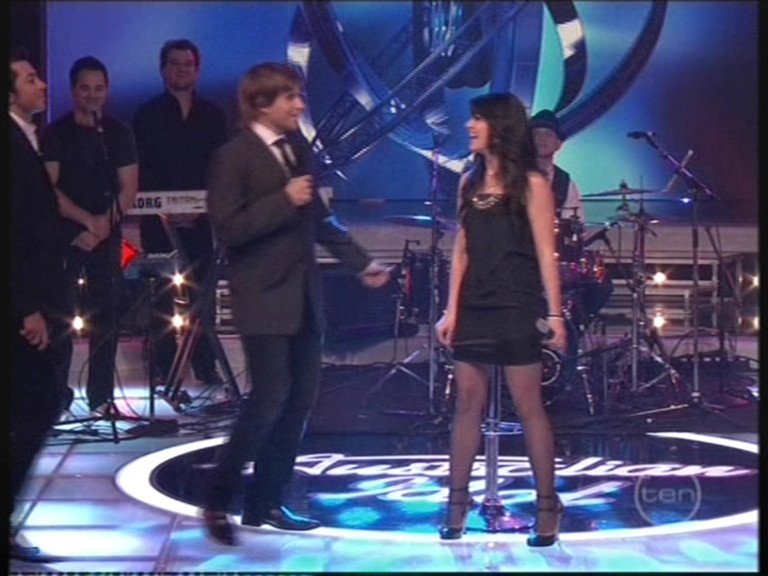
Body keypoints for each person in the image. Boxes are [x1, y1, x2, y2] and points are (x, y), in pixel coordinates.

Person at [201, 62, 391, 545]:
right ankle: (217, 498)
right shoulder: (232, 157)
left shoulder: (297, 150)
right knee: (267, 400)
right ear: (261, 103)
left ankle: (266, 501)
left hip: (304, 296)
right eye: (291, 98)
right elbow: (228, 229)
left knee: (301, 401)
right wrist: (283, 199)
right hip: (262, 297)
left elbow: (321, 220)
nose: (301, 105)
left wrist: (361, 263)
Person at [434, 93, 567, 545]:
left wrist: (554, 313)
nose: (469, 126)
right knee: (466, 404)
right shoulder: (468, 182)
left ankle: (547, 505)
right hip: (474, 304)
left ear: (500, 126)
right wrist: (451, 309)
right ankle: (456, 504)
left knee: (528, 406)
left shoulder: (532, 184)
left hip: (515, 304)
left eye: (478, 119)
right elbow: (461, 250)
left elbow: (546, 254)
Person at [40, 56, 139, 416]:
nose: (92, 95)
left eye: (99, 89)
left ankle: (101, 398)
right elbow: (49, 188)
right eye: (85, 89)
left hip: (105, 235)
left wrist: (103, 226)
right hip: (66, 235)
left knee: (106, 314)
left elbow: (129, 187)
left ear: (107, 90)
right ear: (73, 91)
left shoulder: (118, 133)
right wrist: (86, 223)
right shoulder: (56, 133)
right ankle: (56, 397)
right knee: (61, 317)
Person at [9, 48, 74, 563]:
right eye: (31, 79)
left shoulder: (28, 138)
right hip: (24, 305)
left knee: (40, 403)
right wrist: (26, 307)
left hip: (40, 295)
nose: (43, 85)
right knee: (37, 405)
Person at [133, 39, 228, 389]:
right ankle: (163, 366)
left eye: (188, 64)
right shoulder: (146, 115)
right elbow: (142, 169)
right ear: (163, 70)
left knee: (203, 293)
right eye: (174, 63)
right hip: (158, 222)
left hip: (201, 221)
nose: (182, 69)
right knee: (160, 294)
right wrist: (166, 211)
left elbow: (219, 169)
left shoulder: (213, 115)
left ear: (197, 69)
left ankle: (205, 365)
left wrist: (199, 211)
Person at [531, 108, 613, 331]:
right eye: (536, 134)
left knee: (600, 286)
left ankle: (568, 338)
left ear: (558, 144)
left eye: (548, 135)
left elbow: (575, 225)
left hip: (554, 255)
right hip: (522, 256)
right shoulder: (514, 176)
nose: (541, 139)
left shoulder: (565, 182)